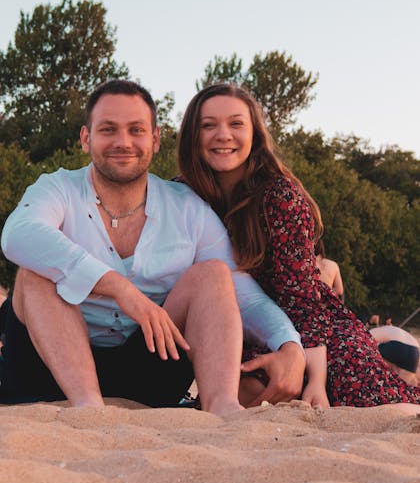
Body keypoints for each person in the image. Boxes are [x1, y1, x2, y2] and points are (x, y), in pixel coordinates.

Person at [0, 79, 306, 414]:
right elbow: (18, 234)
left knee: (214, 274)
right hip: (49, 370)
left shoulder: (187, 207)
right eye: (108, 130)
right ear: (86, 138)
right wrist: (119, 288)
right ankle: (89, 409)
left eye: (136, 130)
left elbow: (240, 292)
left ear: (155, 139)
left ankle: (223, 409)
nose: (123, 142)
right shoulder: (57, 187)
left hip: (148, 370)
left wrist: (288, 342)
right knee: (34, 274)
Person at [177, 82, 420, 408]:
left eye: (236, 124)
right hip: (233, 330)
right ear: (193, 136)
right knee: (247, 386)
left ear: (255, 134)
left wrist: (316, 379)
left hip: (313, 331)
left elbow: (303, 300)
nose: (223, 135)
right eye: (209, 125)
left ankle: (385, 353)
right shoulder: (180, 197)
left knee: (364, 396)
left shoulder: (279, 196)